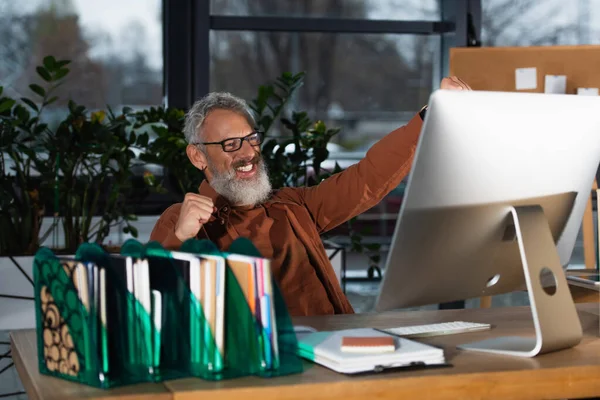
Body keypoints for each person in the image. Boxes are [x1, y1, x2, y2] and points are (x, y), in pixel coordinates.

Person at [149, 77, 472, 316]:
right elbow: (156, 306)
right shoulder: (182, 222)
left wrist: (429, 116)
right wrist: (180, 239)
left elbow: (366, 179)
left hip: (335, 353)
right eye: (231, 144)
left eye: (251, 139)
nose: (248, 153)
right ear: (198, 157)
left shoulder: (293, 205)